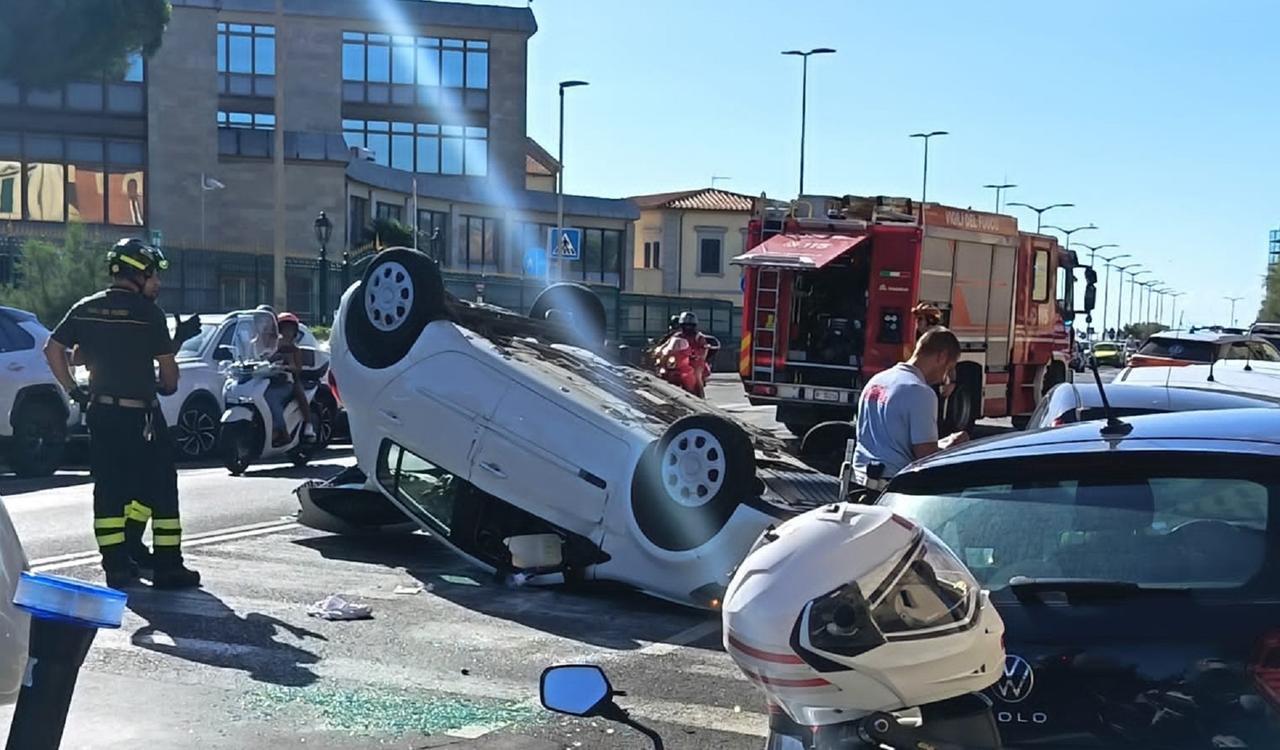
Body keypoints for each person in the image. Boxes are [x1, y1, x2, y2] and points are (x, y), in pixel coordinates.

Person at [44, 238, 202, 589]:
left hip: (101, 414)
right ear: (137, 273)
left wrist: (73, 390)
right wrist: (168, 369)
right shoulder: (149, 314)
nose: (157, 283)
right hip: (141, 417)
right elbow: (169, 378)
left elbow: (54, 350)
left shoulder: (85, 308)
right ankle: (168, 566)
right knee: (160, 485)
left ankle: (117, 564)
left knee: (110, 488)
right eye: (153, 275)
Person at [852, 328, 969, 492]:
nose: (945, 378)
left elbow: (890, 440)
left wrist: (941, 443)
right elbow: (925, 457)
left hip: (858, 480)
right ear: (941, 357)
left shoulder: (877, 381)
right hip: (891, 487)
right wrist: (953, 447)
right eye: (948, 368)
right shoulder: (919, 391)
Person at [266, 312, 314, 446]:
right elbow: (261, 359)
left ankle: (283, 431)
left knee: (272, 398)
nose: (287, 332)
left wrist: (287, 367)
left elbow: (297, 368)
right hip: (268, 381)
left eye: (290, 329)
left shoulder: (294, 350)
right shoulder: (270, 347)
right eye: (284, 328)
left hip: (287, 381)